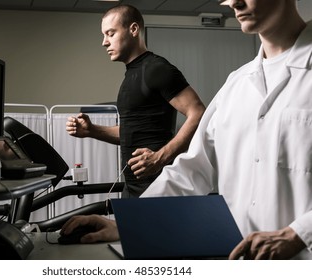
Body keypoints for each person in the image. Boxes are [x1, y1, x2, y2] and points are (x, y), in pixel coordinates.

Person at [61, 0, 312, 260]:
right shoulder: (236, 85)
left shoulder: (157, 69)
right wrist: (126, 224)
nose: (231, 2)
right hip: (239, 258)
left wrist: (300, 233)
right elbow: (193, 170)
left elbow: (194, 115)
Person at [66, 5, 206, 198]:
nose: (104, 42)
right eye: (104, 35)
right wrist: (92, 131)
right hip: (132, 186)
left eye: (110, 33)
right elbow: (132, 132)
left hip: (158, 185)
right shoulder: (132, 74)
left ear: (133, 30)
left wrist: (160, 157)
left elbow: (198, 113)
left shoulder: (157, 69)